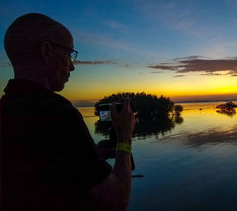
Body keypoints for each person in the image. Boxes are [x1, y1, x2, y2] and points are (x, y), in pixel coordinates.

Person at [0, 13, 136, 211]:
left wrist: (91, 156)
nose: (72, 66)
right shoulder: (58, 114)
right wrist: (124, 139)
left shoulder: (6, 109)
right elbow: (117, 200)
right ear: (46, 51)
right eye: (69, 54)